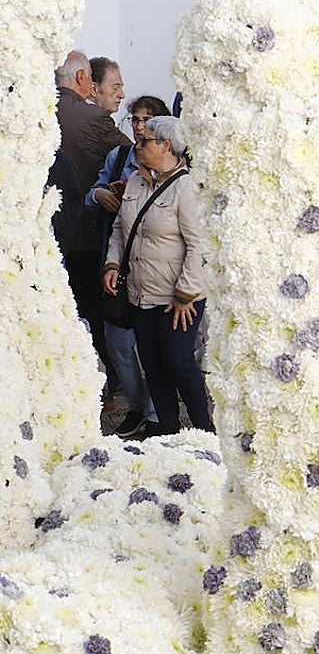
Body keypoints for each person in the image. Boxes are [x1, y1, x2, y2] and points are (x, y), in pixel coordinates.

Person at [101, 117, 211, 436]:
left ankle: (204, 429)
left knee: (178, 362)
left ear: (165, 145)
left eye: (144, 141)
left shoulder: (186, 186)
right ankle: (167, 430)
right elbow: (121, 231)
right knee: (154, 366)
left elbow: (198, 244)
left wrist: (185, 294)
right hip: (139, 293)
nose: (138, 144)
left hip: (177, 299)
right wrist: (112, 264)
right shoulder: (136, 181)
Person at [88, 95, 171, 438]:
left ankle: (155, 415)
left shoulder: (174, 168)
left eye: (146, 120)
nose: (139, 127)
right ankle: (136, 405)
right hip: (120, 266)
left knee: (153, 347)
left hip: (156, 272)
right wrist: (99, 195)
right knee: (119, 342)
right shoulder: (119, 156)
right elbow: (93, 191)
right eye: (135, 120)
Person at [50, 51, 129, 384]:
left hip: (47, 229)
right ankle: (106, 380)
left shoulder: (42, 109)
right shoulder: (91, 118)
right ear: (84, 79)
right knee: (92, 308)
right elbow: (135, 155)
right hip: (84, 230)